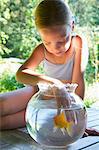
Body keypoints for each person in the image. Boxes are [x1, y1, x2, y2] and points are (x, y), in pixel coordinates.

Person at [0, 0, 99, 136]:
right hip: (40, 93)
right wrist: (54, 83)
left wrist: (79, 122)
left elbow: (78, 83)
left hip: (59, 105)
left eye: (61, 41)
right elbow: (21, 74)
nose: (55, 48)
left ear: (72, 26)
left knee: (4, 123)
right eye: (47, 42)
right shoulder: (42, 50)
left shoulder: (78, 43)